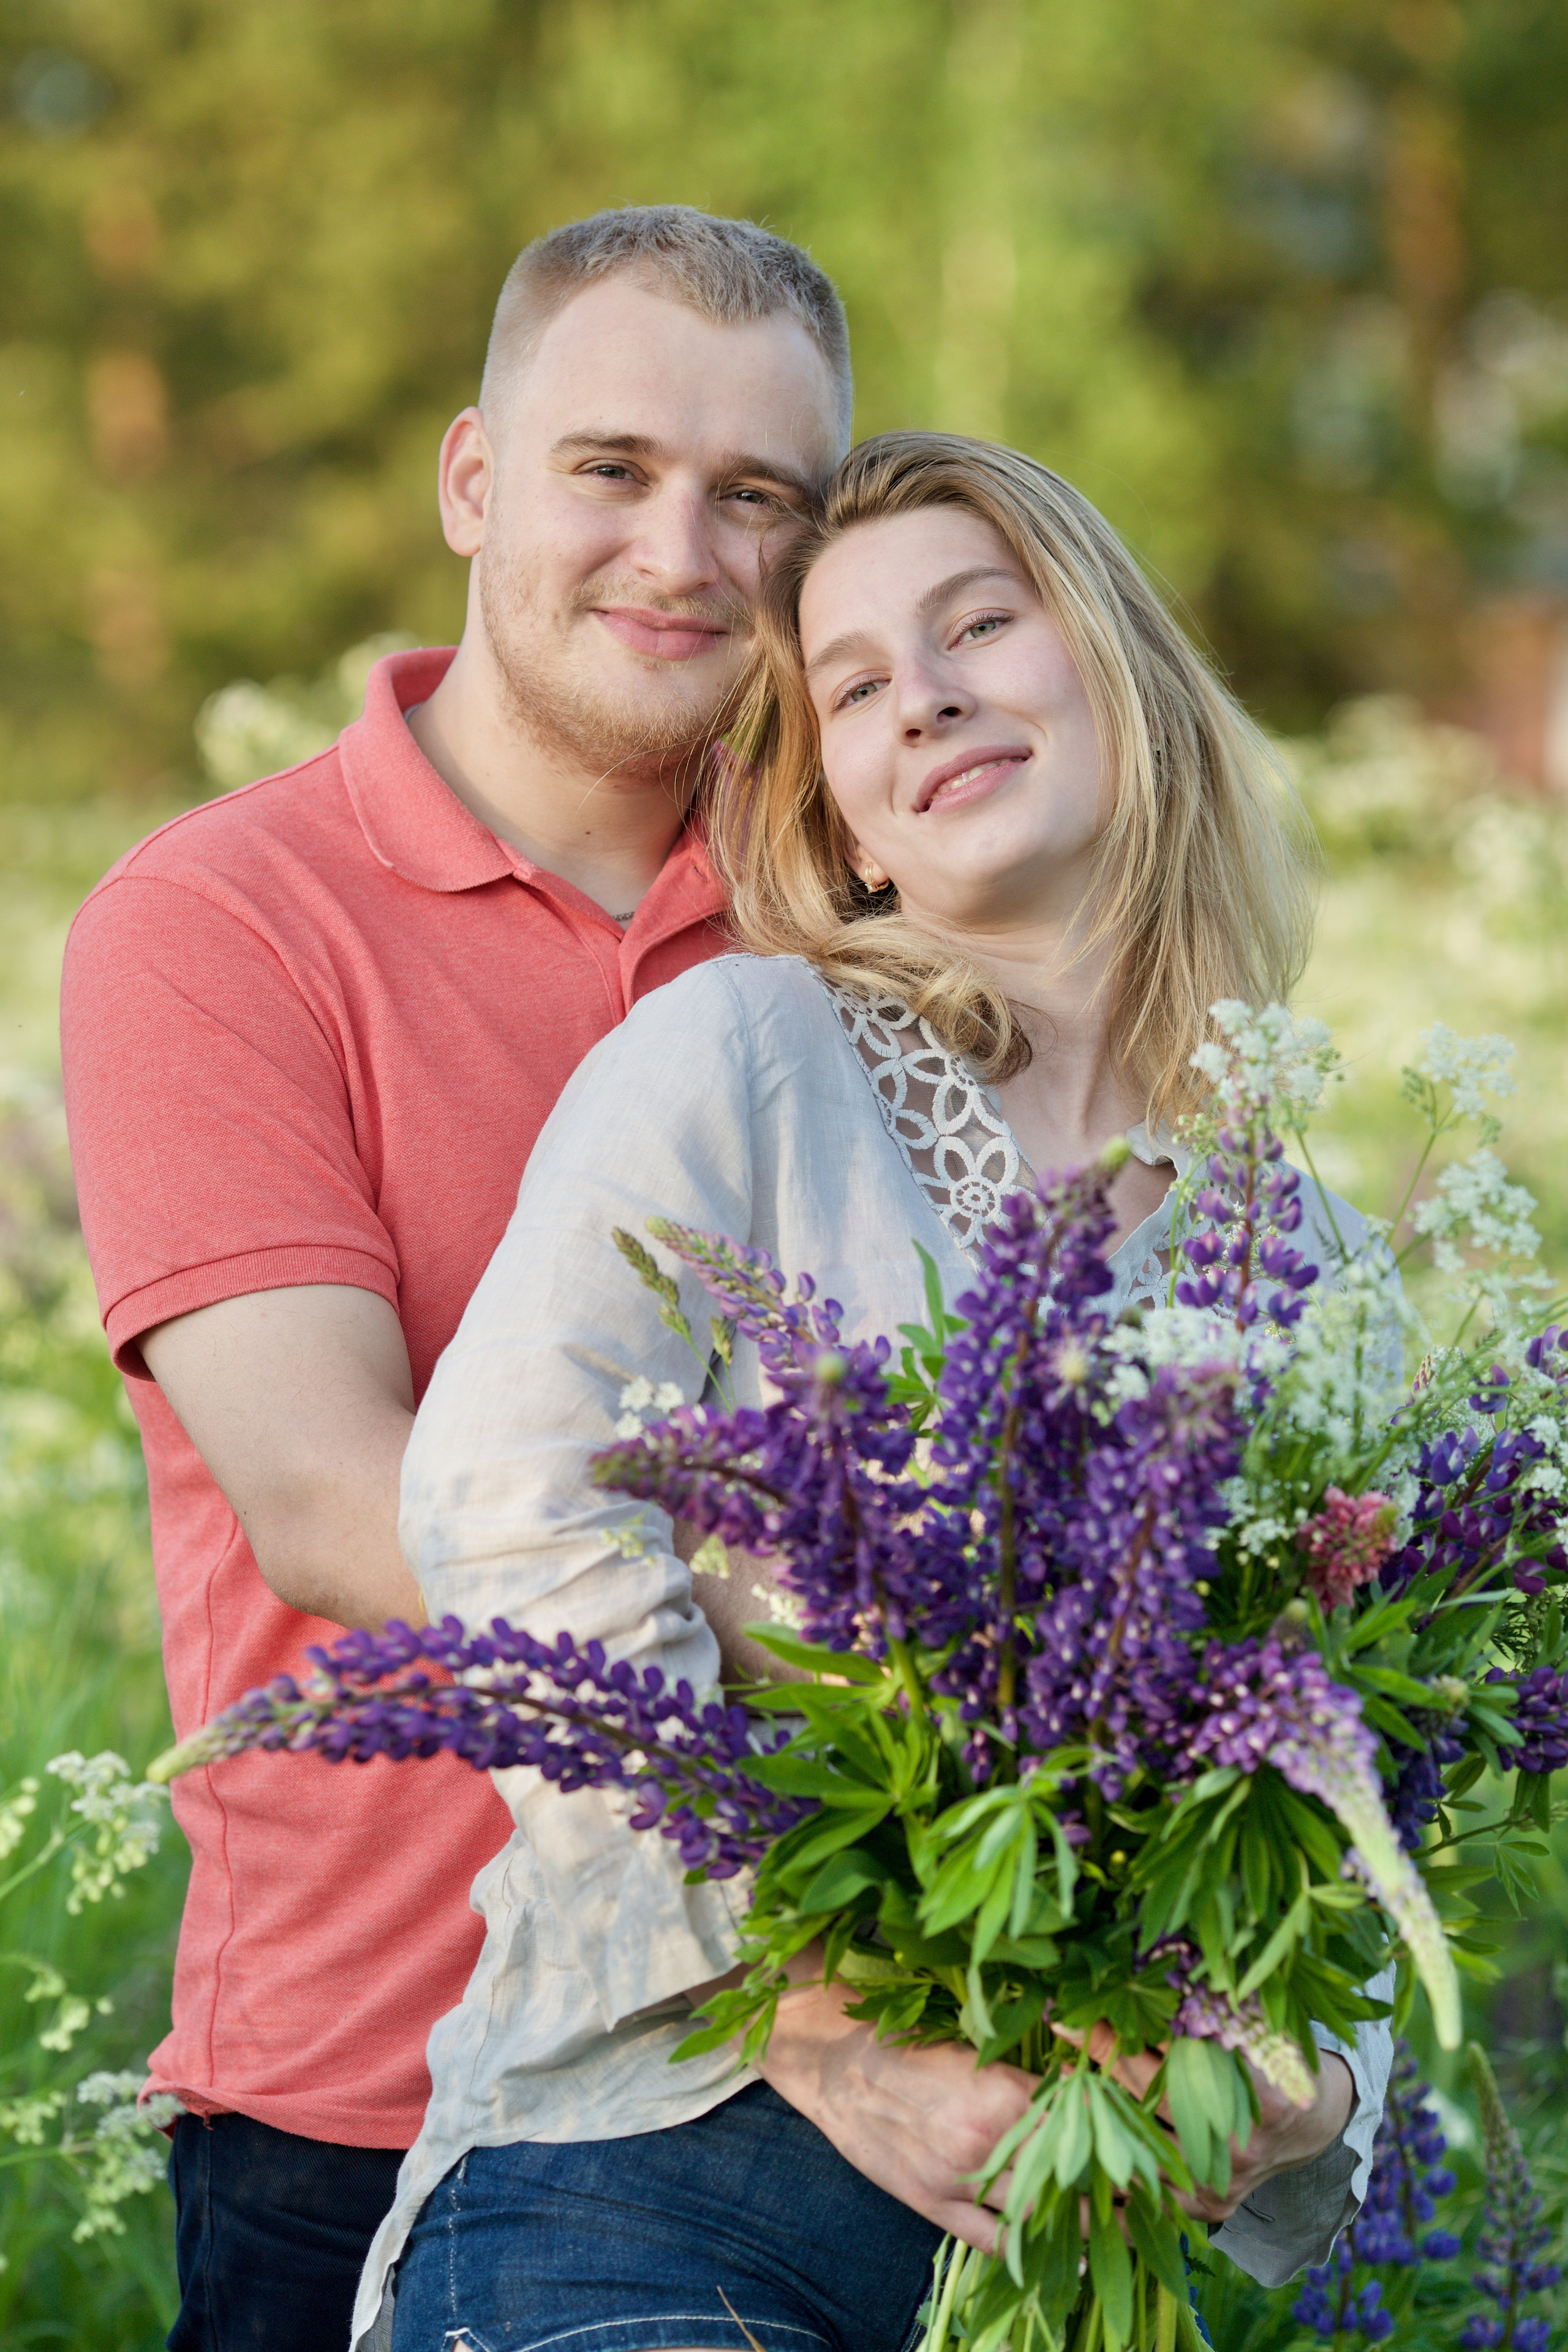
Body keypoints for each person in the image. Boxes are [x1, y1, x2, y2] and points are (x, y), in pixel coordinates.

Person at [357, 432, 1393, 2352]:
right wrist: (826, 2020)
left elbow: (1378, 1799)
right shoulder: (748, 1062)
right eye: (851, 686)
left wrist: (1306, 2082)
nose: (921, 694)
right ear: (845, 818)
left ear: (1124, 671)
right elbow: (506, 1495)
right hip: (662, 2167)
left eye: (980, 623)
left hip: (1075, 2251)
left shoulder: (1326, 1270)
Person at [59, 204, 851, 2352]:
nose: (680, 549)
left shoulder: (868, 910)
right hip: (368, 2089)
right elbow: (335, 1500)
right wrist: (911, 1617)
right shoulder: (220, 924)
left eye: (756, 495)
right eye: (611, 467)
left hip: (834, 2064)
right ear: (473, 480)